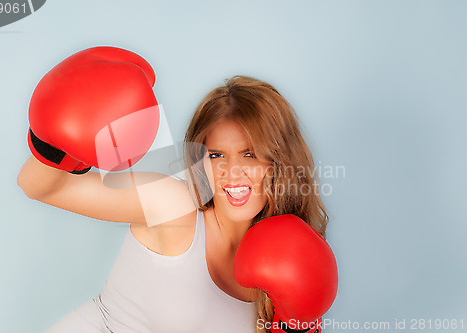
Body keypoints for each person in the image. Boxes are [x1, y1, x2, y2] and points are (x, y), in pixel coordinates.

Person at [18, 59, 330, 331]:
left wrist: (294, 329)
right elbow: (39, 186)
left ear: (278, 162)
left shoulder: (292, 253)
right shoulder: (173, 208)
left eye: (250, 155)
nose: (232, 173)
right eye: (217, 155)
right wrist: (59, 138)